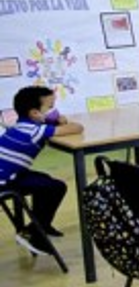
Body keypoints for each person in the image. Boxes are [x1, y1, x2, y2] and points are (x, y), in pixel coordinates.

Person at [0, 86, 84, 256]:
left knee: (44, 180)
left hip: (7, 175)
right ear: (34, 113)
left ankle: (42, 225)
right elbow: (77, 128)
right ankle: (33, 233)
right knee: (56, 187)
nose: (54, 111)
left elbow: (48, 125)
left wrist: (51, 120)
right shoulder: (36, 131)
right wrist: (63, 121)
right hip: (4, 183)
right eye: (50, 107)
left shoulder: (21, 126)